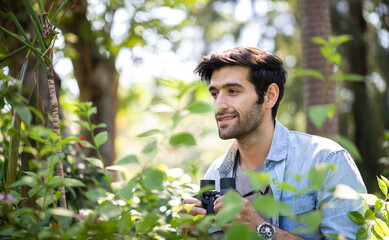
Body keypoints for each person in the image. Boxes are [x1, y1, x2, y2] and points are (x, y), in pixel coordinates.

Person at [178, 46, 366, 239]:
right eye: (215, 94)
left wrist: (261, 229)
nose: (219, 104)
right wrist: (192, 233)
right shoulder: (215, 173)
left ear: (269, 96)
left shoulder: (326, 160)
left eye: (232, 91)